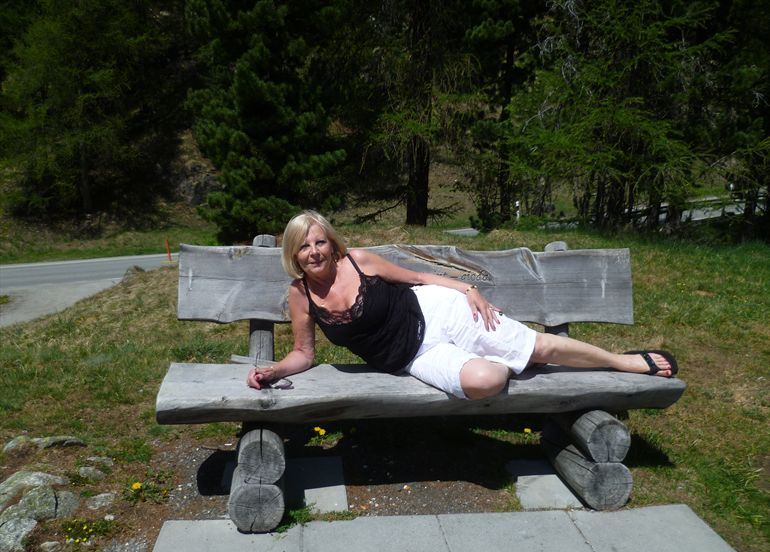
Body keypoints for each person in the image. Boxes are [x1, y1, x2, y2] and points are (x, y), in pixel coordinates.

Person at [247, 210, 678, 399]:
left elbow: (417, 278)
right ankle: (510, 354)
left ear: (331, 242)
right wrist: (274, 371)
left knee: (540, 347)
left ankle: (621, 362)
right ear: (294, 254)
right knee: (485, 381)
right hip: (415, 358)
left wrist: (466, 289)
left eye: (320, 241)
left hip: (437, 311)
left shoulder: (358, 261)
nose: (315, 252)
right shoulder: (301, 295)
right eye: (304, 246)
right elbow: (304, 353)